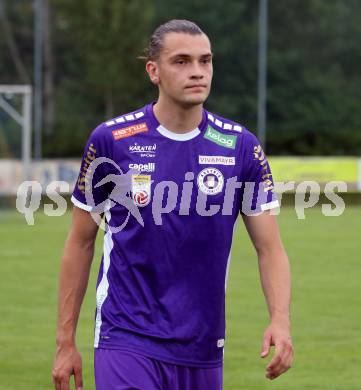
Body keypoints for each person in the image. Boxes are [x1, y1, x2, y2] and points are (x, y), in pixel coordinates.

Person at [52, 19, 293, 390]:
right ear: (154, 71)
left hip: (203, 345)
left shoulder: (241, 146)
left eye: (205, 61)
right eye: (181, 61)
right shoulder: (112, 141)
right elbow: (80, 242)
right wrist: (65, 341)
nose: (197, 72)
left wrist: (280, 320)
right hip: (126, 335)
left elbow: (270, 247)